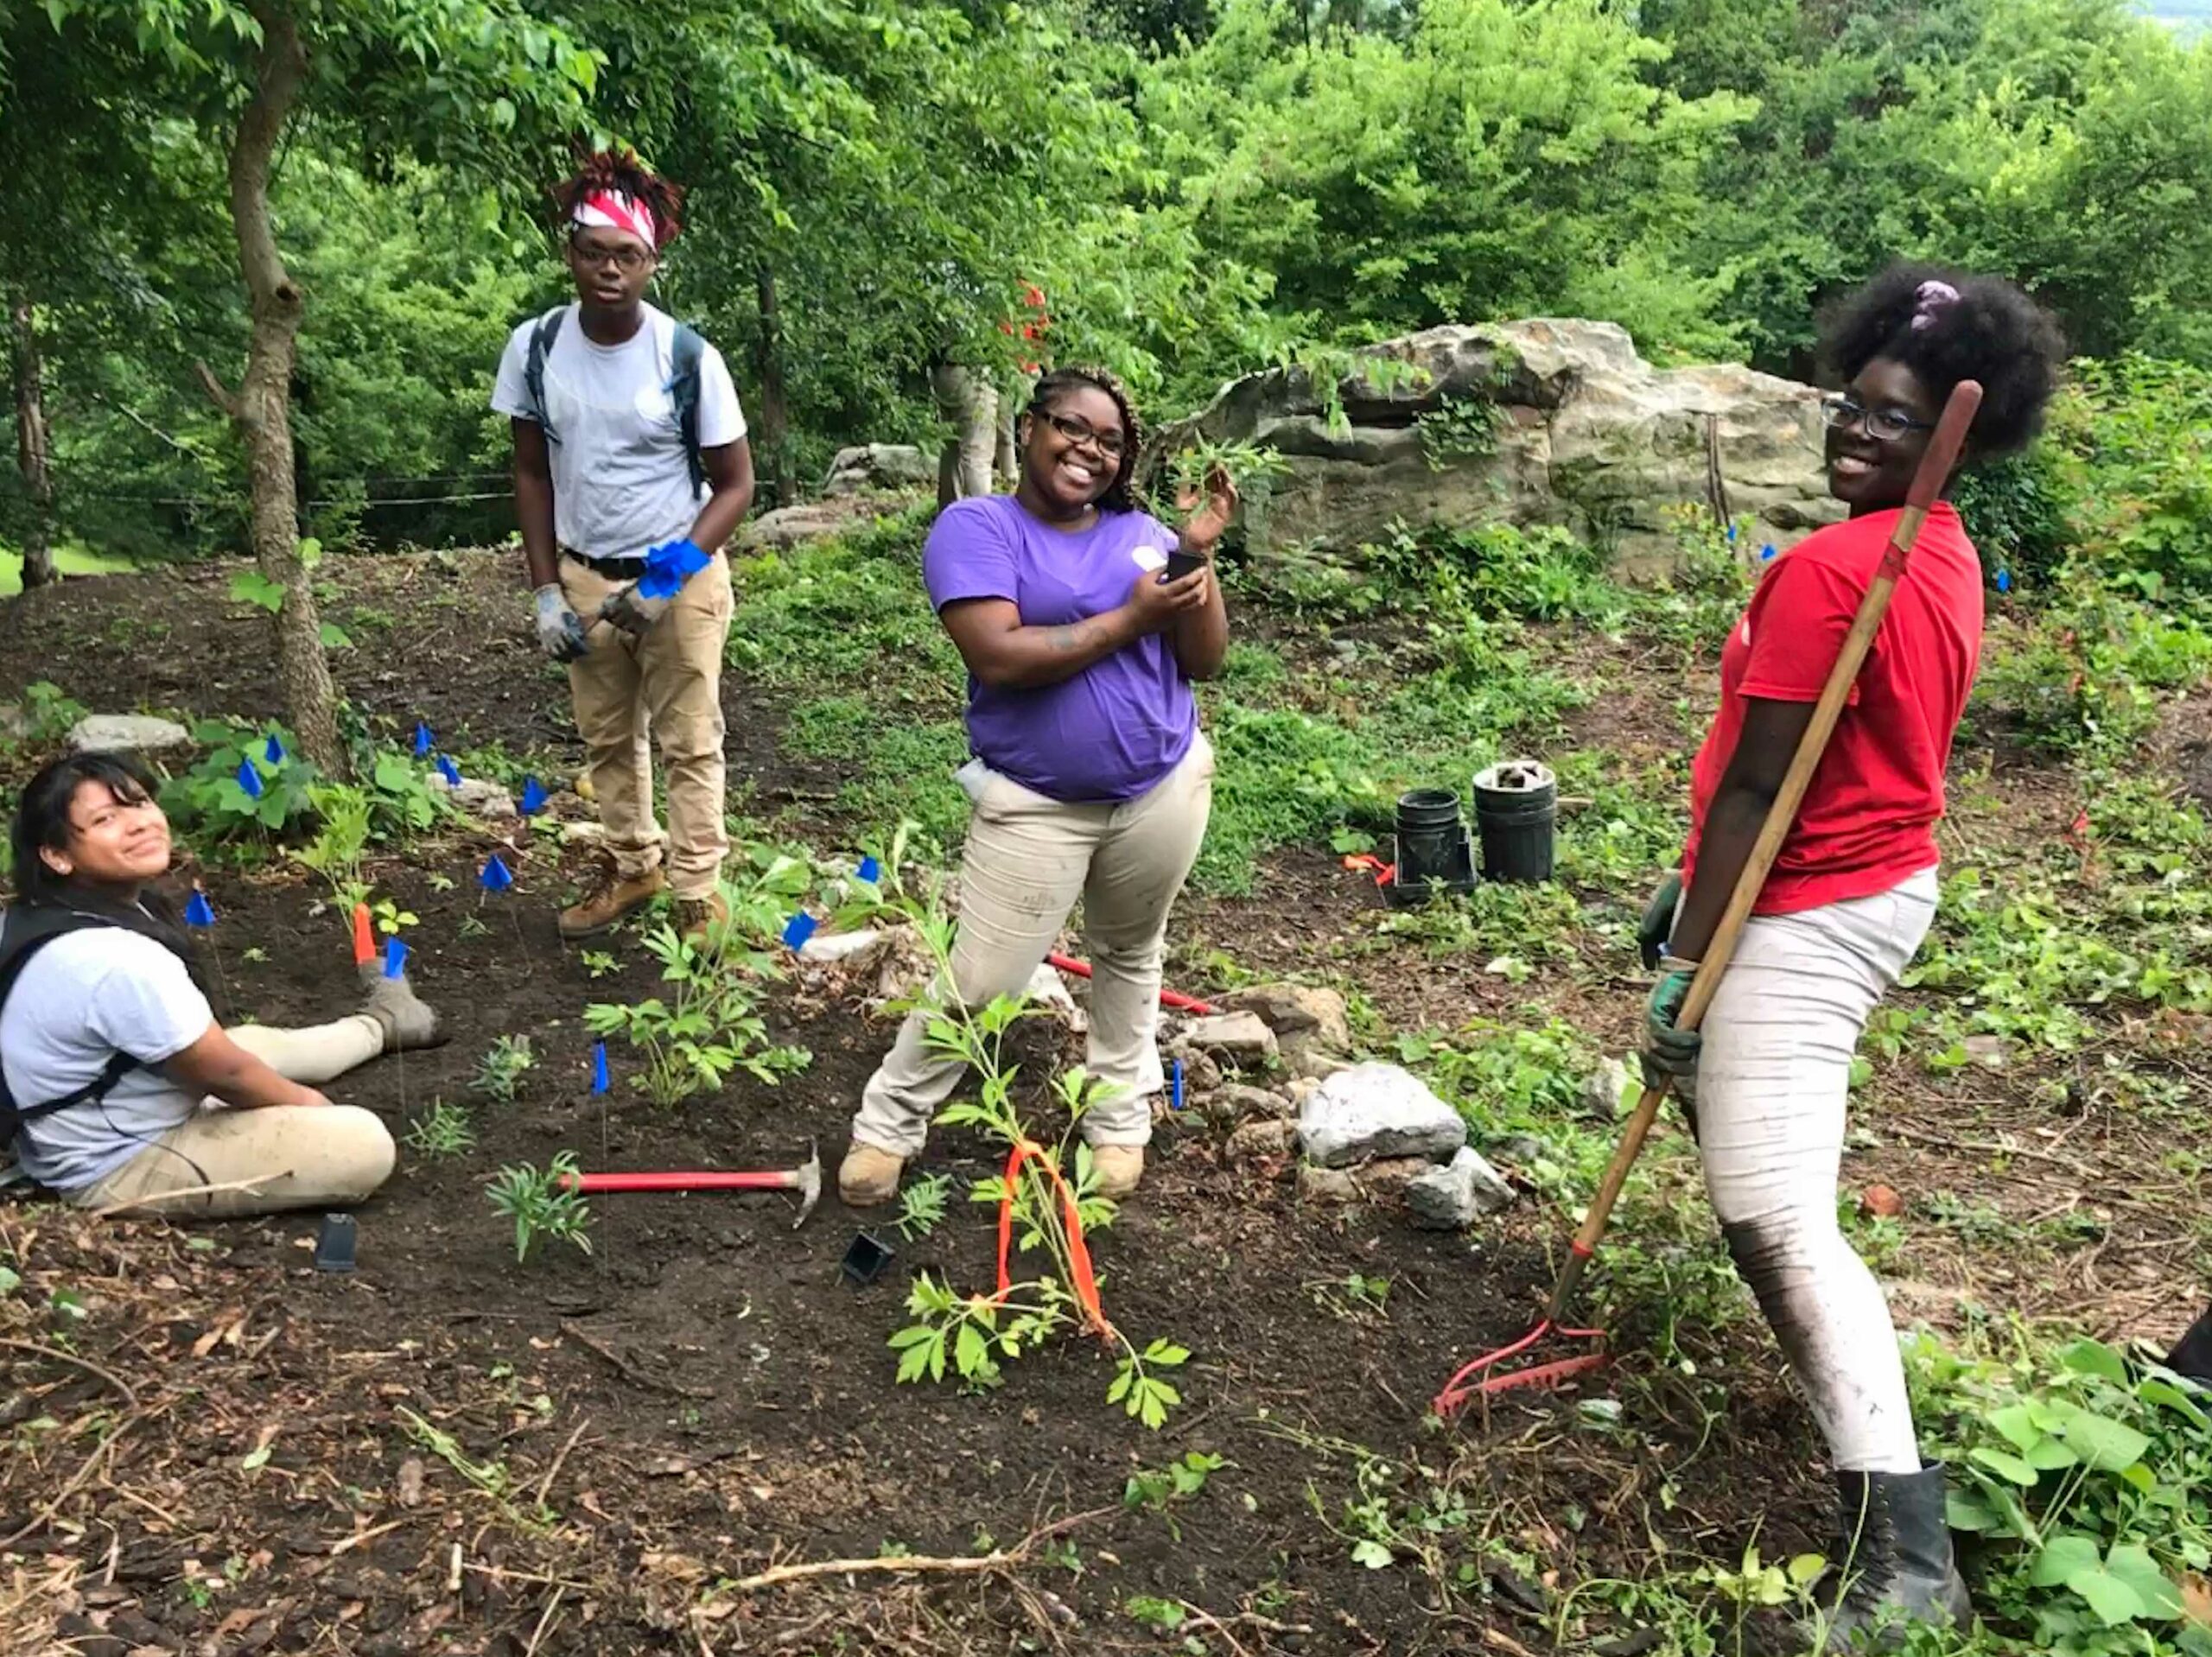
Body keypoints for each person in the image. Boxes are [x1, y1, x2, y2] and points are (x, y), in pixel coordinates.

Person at [1637, 266, 2064, 1646]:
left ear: (1957, 439)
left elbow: (1762, 791)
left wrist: (1688, 967)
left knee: (1777, 1219)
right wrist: (1690, 888)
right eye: (1855, 404)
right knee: (1760, 1178)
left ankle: (1907, 1551)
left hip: (1812, 904)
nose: (1859, 432)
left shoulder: (1837, 572)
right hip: (1874, 876)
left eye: (1897, 420)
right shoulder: (1940, 552)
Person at [840, 367, 1236, 1207]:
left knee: (1128, 953)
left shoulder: (1142, 532)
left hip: (1160, 787)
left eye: (1109, 441)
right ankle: (888, 1125)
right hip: (1035, 804)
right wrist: (1132, 617)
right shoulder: (978, 527)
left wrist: (1195, 554)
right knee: (982, 981)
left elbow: (1203, 661)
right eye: (1071, 428)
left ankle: (1117, 1119)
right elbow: (999, 656)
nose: (1089, 450)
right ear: (1029, 428)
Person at [493, 148, 755, 943]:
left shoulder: (687, 358)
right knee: (607, 736)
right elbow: (531, 472)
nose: (610, 269)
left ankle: (697, 891)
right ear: (570, 254)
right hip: (584, 574)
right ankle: (633, 865)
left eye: (628, 256)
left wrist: (665, 580)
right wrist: (547, 590)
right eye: (594, 252)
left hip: (680, 574)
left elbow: (735, 485)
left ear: (652, 264)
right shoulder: (536, 347)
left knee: (690, 740)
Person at [0, 752, 444, 1217]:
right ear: (57, 855)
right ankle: (373, 1042)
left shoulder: (48, 915)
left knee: (253, 1045)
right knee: (361, 1144)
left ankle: (384, 1024)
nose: (139, 823)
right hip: (116, 1159)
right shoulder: (112, 958)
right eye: (105, 819)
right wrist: (312, 1108)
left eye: (140, 802)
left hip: (104, 1103)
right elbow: (225, 1075)